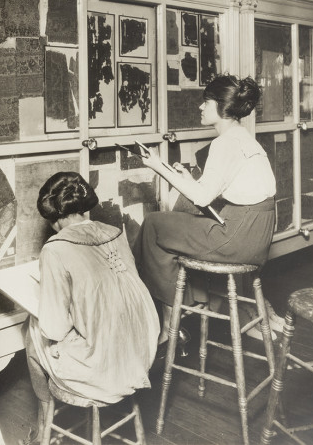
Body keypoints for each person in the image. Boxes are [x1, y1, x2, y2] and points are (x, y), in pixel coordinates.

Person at [132, 75, 277, 346]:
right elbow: (215, 191)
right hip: (257, 236)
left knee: (153, 225)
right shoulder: (244, 139)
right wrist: (186, 178)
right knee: (172, 227)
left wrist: (157, 167)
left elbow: (201, 197)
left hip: (238, 235)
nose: (200, 107)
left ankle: (172, 319)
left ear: (221, 106)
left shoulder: (225, 143)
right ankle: (194, 302)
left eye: (206, 102)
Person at [21, 172, 160, 444]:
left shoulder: (55, 249)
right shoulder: (114, 232)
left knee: (33, 328)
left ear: (54, 217)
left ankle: (42, 430)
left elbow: (55, 327)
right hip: (143, 354)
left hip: (104, 371)